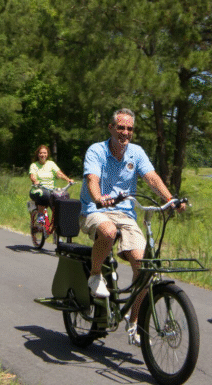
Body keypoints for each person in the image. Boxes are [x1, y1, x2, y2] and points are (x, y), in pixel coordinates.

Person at [79, 108, 184, 345]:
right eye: (121, 127)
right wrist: (98, 198)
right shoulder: (97, 150)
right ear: (111, 128)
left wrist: (170, 200)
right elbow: (92, 180)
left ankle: (133, 321)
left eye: (129, 129)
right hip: (96, 210)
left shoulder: (136, 153)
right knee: (108, 231)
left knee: (143, 266)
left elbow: (152, 178)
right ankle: (95, 275)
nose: (125, 132)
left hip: (126, 214)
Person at [29, 144, 74, 230]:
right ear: (38, 154)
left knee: (61, 200)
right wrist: (35, 181)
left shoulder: (51, 164)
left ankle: (58, 229)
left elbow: (58, 173)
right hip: (38, 189)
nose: (43, 155)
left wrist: (68, 179)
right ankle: (40, 218)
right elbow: (32, 175)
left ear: (47, 154)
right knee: (43, 194)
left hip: (51, 190)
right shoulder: (34, 165)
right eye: (41, 153)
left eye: (45, 153)